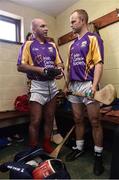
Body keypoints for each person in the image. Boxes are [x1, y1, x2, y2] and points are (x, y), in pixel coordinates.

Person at [64, 9, 104, 176]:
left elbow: (99, 63)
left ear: (82, 21)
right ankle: (79, 148)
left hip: (88, 85)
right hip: (73, 87)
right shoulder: (72, 45)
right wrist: (66, 85)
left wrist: (94, 86)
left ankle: (98, 155)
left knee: (95, 121)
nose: (71, 24)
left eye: (73, 21)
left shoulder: (93, 39)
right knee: (78, 119)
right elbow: (67, 67)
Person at [17, 18, 64, 153]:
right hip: (37, 86)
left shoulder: (52, 45)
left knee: (49, 118)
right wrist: (40, 70)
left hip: (52, 87)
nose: (46, 28)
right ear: (34, 30)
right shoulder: (28, 45)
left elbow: (60, 63)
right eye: (42, 26)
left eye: (46, 26)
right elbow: (20, 66)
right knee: (36, 120)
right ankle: (32, 148)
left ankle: (46, 143)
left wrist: (60, 71)